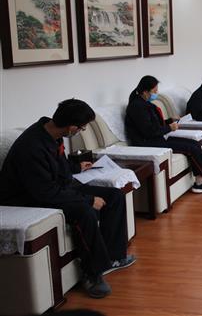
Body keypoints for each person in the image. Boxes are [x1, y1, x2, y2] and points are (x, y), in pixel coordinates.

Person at [0, 99, 136, 299]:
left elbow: (58, 168)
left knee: (114, 196)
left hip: (55, 187)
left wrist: (75, 168)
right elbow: (45, 193)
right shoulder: (32, 147)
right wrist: (88, 200)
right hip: (27, 197)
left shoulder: (52, 133)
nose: (81, 131)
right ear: (72, 127)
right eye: (82, 128)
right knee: (84, 211)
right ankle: (92, 274)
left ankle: (114, 257)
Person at [125, 75, 202, 194]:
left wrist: (170, 120)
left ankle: (200, 182)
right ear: (145, 92)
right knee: (191, 148)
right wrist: (169, 128)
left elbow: (153, 124)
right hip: (147, 143)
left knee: (194, 144)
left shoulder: (143, 103)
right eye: (154, 91)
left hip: (157, 138)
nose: (156, 94)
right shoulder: (137, 107)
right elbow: (149, 131)